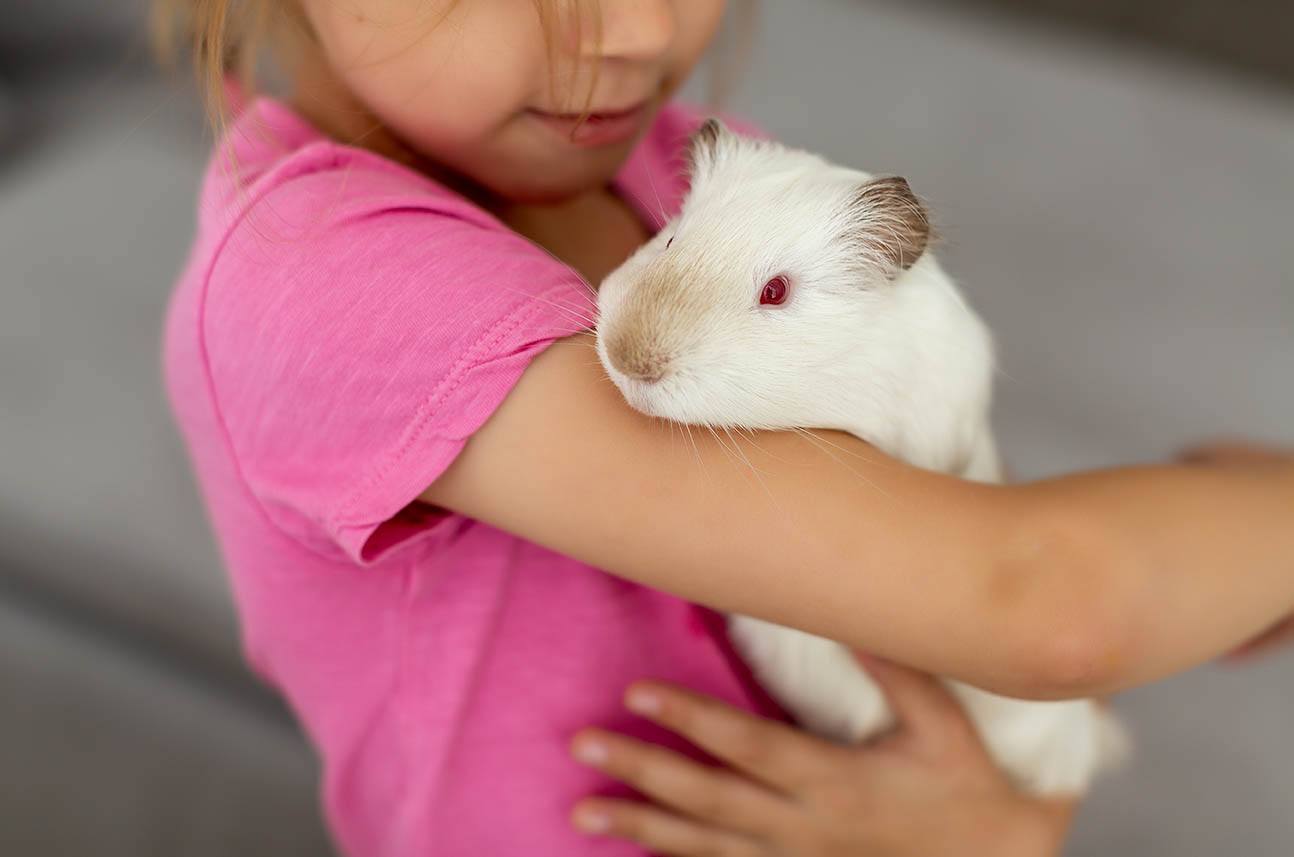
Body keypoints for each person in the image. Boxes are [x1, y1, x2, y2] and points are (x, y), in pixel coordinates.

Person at [153, 1, 1294, 854]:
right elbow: (1041, 606)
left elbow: (930, 538)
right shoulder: (319, 276)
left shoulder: (688, 162)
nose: (640, 30)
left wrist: (996, 826)